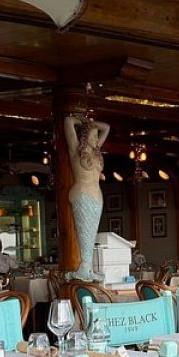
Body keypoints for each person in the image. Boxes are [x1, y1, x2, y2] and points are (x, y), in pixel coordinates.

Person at [64, 114, 111, 280]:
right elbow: (68, 122)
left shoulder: (96, 152)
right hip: (82, 193)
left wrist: (91, 124)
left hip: (96, 195)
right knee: (84, 233)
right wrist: (85, 123)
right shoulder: (76, 149)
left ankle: (88, 268)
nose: (96, 139)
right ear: (85, 136)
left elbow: (106, 127)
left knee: (91, 234)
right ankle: (84, 268)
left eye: (97, 136)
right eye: (93, 136)